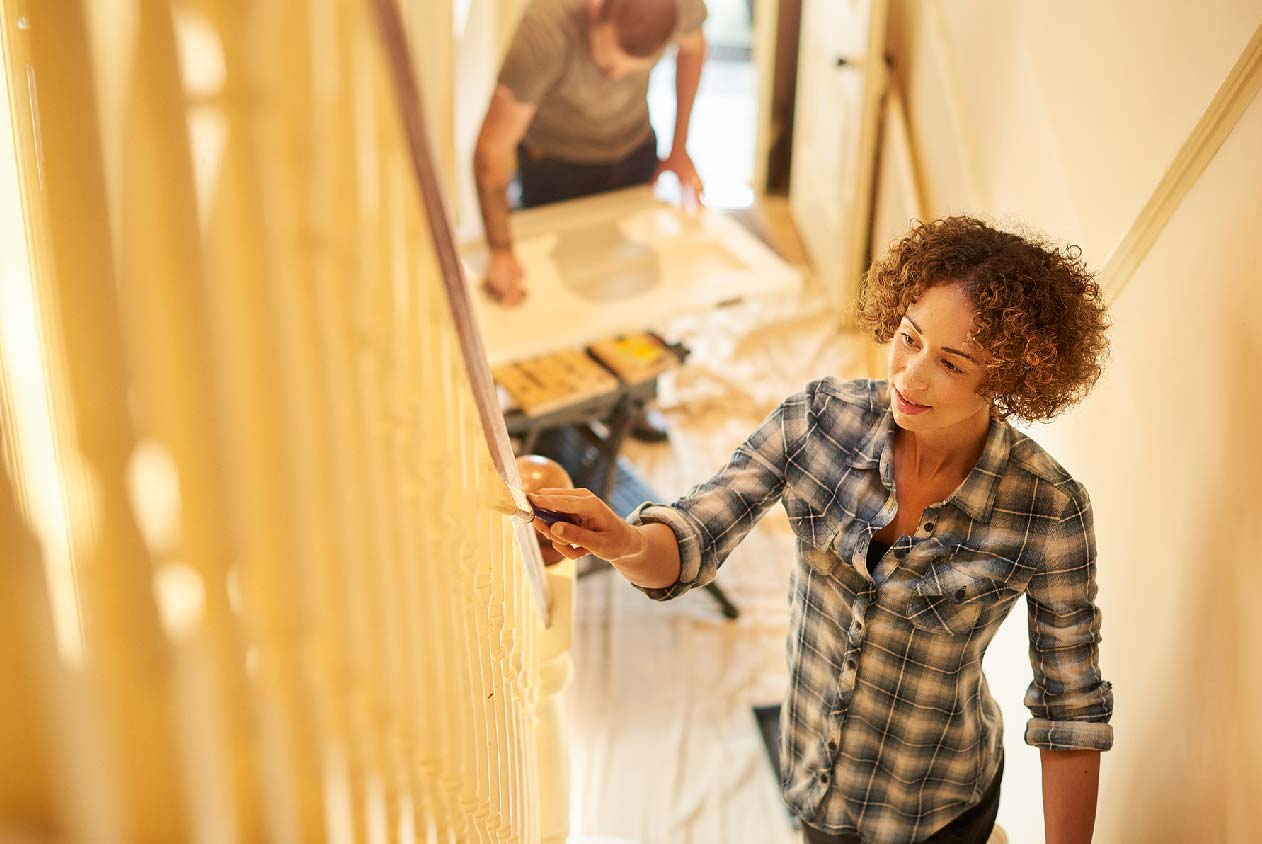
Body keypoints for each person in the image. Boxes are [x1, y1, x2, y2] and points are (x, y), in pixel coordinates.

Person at [528, 217, 1114, 844]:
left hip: (939, 807)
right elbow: (694, 537)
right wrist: (623, 541)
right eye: (909, 337)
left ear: (1007, 380)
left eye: (950, 363)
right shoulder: (817, 421)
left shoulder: (1051, 511)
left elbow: (1070, 712)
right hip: (813, 779)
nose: (911, 376)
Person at [473, 0, 708, 308]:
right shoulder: (545, 29)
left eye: (632, 70)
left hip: (633, 149)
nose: (614, 77)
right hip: (555, 167)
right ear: (596, 7)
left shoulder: (679, 6)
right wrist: (501, 251)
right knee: (557, 302)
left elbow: (695, 48)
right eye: (609, 63)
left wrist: (679, 149)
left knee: (624, 288)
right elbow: (492, 152)